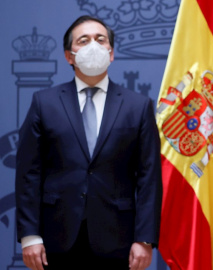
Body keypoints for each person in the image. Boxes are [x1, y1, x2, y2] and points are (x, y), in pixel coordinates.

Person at [15, 15, 162, 270]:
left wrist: (145, 238)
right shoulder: (44, 102)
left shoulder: (138, 106)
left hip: (120, 241)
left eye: (100, 39)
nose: (93, 45)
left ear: (111, 53)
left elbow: (149, 178)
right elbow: (29, 173)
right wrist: (30, 236)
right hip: (56, 240)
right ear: (69, 56)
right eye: (84, 40)